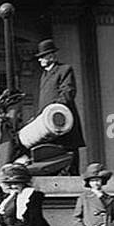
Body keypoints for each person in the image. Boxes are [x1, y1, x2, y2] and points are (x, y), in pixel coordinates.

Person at [33, 38, 85, 174]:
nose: (40, 60)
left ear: (51, 56)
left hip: (62, 119)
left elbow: (67, 92)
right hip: (48, 123)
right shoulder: (44, 75)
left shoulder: (64, 70)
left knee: (69, 150)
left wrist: (55, 109)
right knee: (52, 151)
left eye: (42, 57)